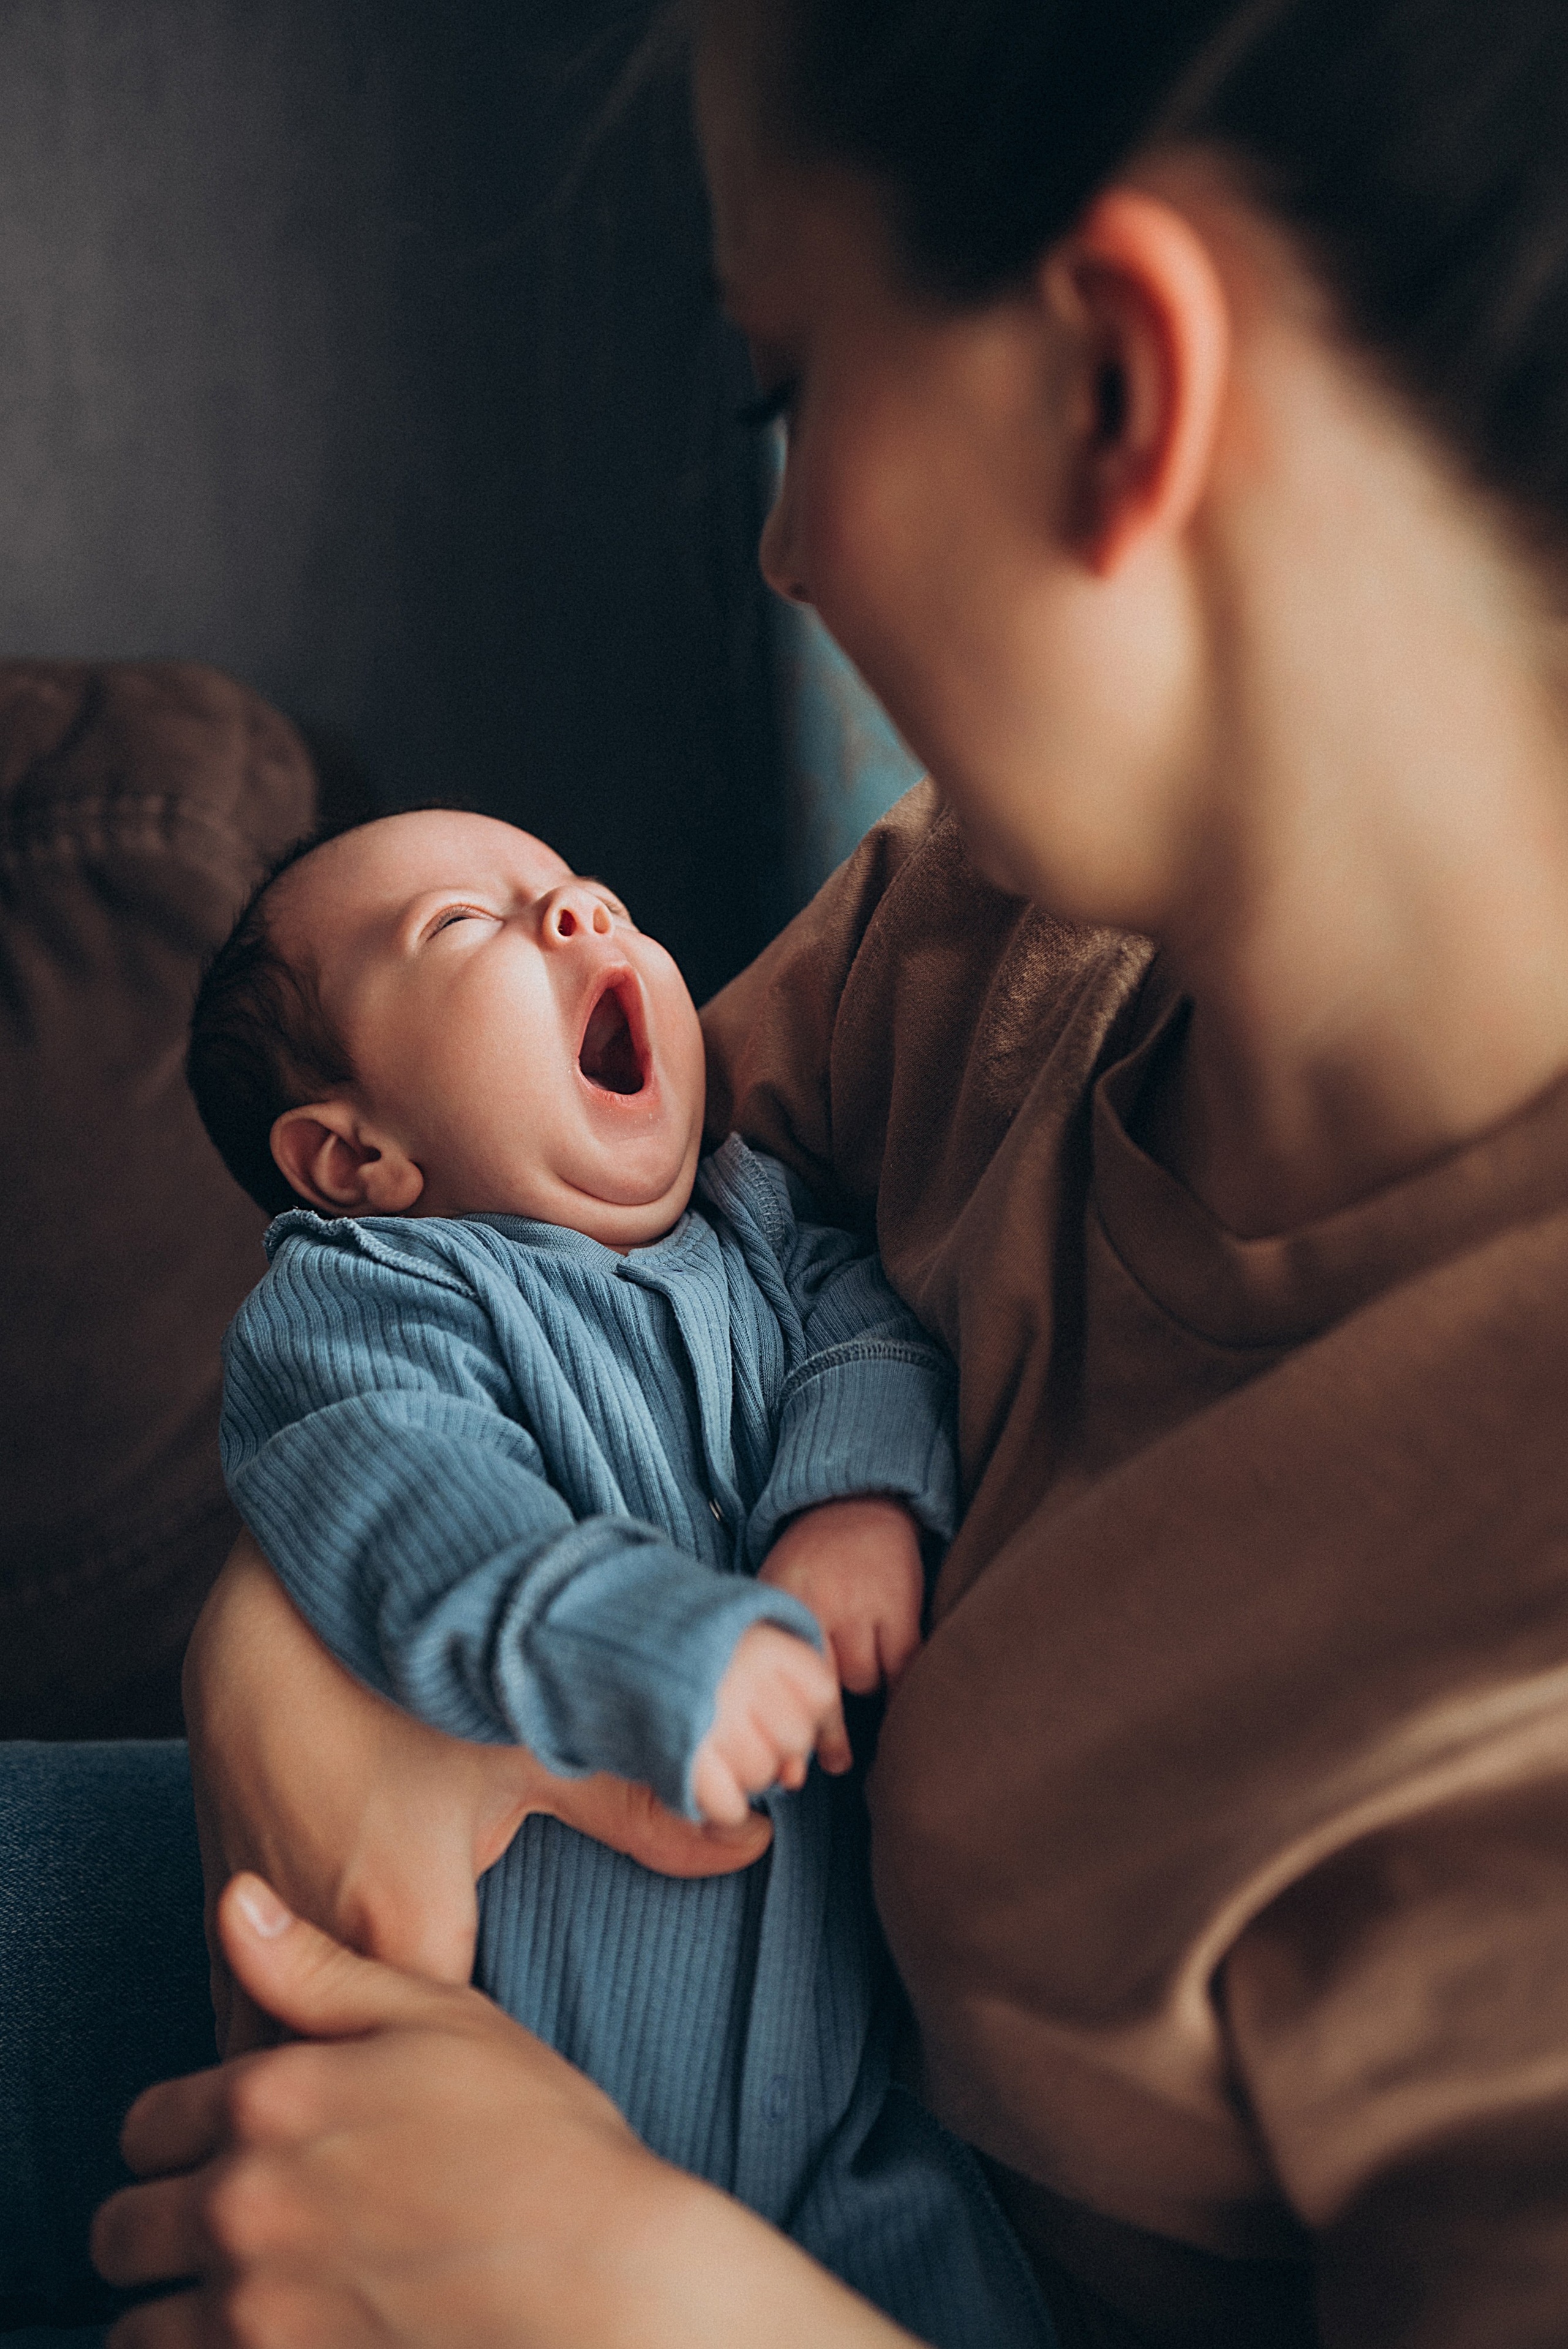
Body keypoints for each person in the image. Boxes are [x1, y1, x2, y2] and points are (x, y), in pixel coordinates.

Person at [56, 0, 1568, 2342]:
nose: (782, 551)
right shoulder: (973, 944)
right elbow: (498, 1267)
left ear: (1114, 391)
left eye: (789, 389)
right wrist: (283, 1648)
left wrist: (645, 2297)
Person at [178, 803, 1047, 2349]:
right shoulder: (375, 1296)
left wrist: (851, 1503)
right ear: (351, 1154)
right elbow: (399, 1486)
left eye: (576, 887)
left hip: (837, 2153)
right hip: (473, 2125)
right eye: (461, 925)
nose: (575, 907)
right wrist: (633, 1631)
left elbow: (867, 1336)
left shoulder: (765, 1231)